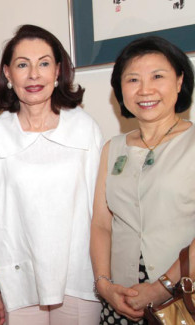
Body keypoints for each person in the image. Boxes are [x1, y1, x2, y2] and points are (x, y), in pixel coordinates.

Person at [0, 25, 103, 325]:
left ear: (58, 71)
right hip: (18, 280)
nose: (33, 75)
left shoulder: (84, 128)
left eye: (43, 63)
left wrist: (104, 276)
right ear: (8, 74)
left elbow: (101, 215)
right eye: (22, 65)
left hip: (78, 277)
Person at [90, 36, 195, 325]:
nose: (145, 89)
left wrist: (162, 287)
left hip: (183, 297)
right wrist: (104, 284)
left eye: (157, 76)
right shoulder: (113, 148)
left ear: (179, 81)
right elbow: (101, 222)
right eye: (133, 79)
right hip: (122, 297)